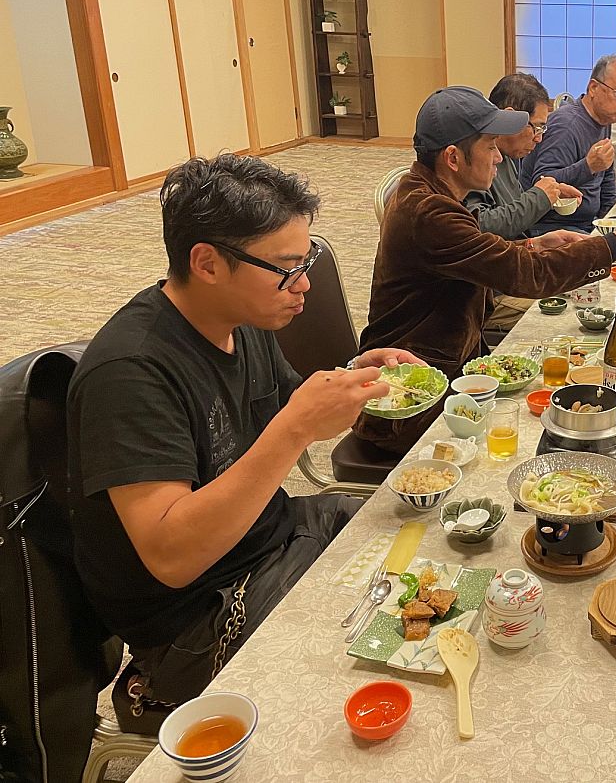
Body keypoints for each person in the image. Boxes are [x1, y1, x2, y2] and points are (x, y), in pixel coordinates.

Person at [66, 154, 424, 705]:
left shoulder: (241, 319)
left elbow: (285, 407)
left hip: (271, 537)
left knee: (417, 542)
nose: (303, 284)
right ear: (207, 263)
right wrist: (295, 430)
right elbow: (171, 556)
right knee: (374, 665)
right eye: (286, 267)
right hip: (201, 615)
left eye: (306, 261)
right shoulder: (130, 372)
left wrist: (354, 378)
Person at [358, 86, 616, 457]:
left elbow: (479, 253)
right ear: (453, 157)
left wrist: (533, 244)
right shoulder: (430, 213)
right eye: (490, 146)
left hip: (449, 370)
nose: (499, 157)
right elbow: (526, 276)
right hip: (415, 399)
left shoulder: (429, 195)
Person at [469, 73, 584, 337]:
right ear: (510, 117)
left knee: (581, 284)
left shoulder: (507, 156)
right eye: (537, 127)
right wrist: (539, 197)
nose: (539, 138)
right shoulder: (476, 161)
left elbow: (511, 211)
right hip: (490, 291)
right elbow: (480, 227)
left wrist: (550, 198)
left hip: (513, 266)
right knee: (566, 313)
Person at [521, 54, 616, 235]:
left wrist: (611, 221)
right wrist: (588, 166)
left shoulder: (604, 119)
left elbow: (606, 177)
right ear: (594, 88)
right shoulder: (567, 125)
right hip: (554, 229)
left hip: (589, 224)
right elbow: (542, 181)